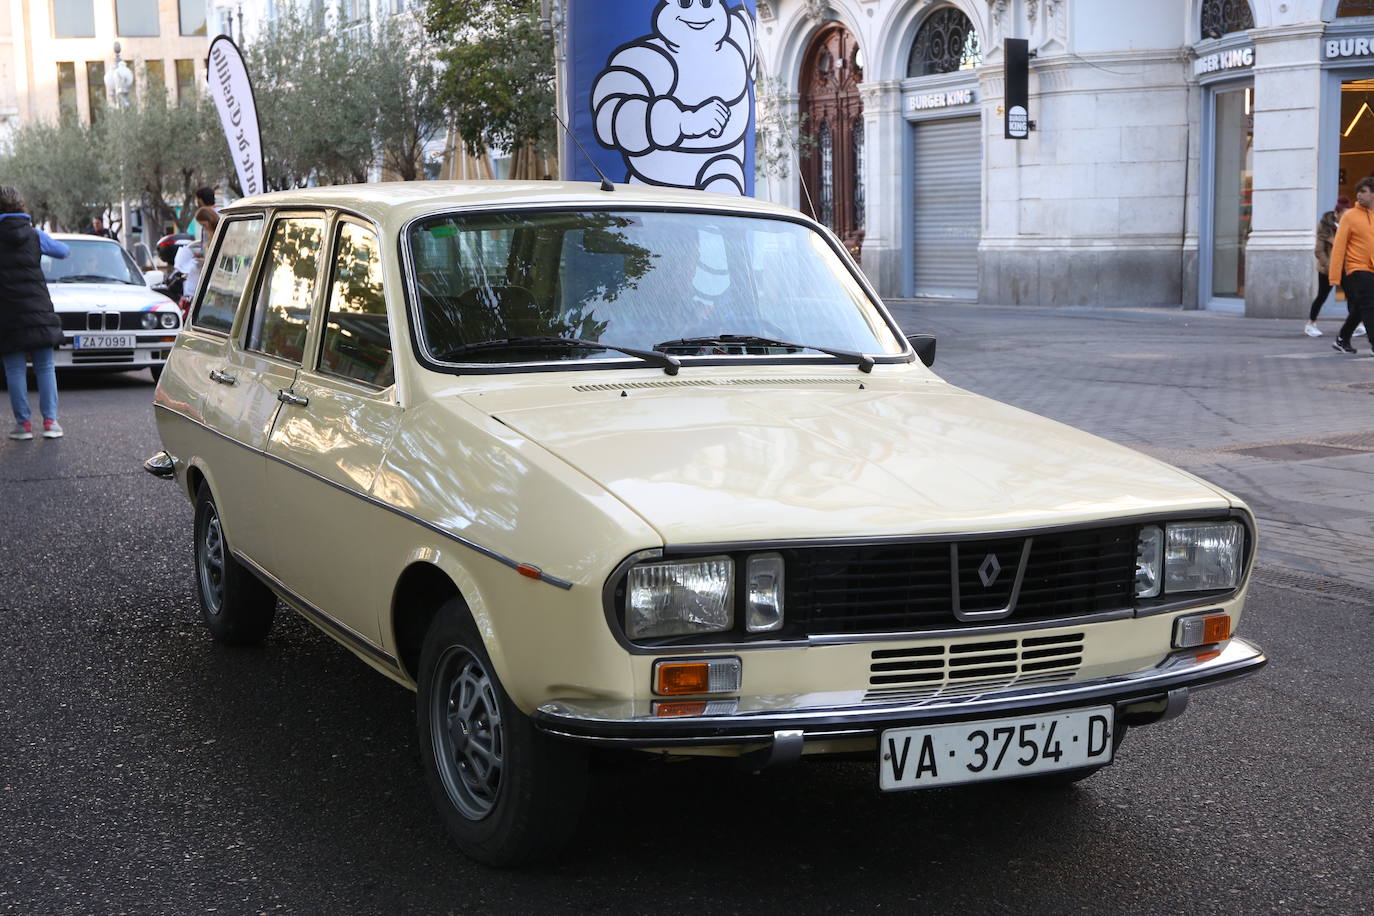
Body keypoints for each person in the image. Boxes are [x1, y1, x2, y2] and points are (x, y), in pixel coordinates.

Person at [0, 185, 69, 440]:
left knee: (15, 371)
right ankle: (51, 423)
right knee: (45, 366)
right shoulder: (34, 235)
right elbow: (63, 251)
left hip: (7, 313)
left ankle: (24, 425)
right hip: (38, 308)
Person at [1328, 176, 1374, 354]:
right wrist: (1334, 275)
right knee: (1370, 304)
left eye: (1363, 191)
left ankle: (1342, 338)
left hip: (1371, 268)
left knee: (1360, 307)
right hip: (1357, 268)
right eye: (1358, 191)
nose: (1359, 195)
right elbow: (1339, 246)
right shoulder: (1349, 216)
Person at [1306, 196, 1349, 336]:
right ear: (1336, 214)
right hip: (1327, 269)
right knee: (1322, 296)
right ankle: (1310, 323)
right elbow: (1319, 251)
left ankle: (1357, 325)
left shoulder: (1348, 226)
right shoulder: (1325, 227)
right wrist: (1331, 266)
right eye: (1344, 214)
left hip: (1345, 268)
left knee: (1353, 296)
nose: (1346, 217)